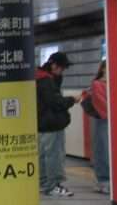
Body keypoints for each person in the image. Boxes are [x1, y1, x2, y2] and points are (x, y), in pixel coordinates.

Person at [36, 51, 78, 197]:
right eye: (61, 68)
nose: (62, 71)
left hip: (42, 124)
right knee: (54, 155)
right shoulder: (46, 81)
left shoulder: (39, 77)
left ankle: (43, 183)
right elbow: (54, 102)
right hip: (51, 124)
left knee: (43, 155)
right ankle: (53, 186)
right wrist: (72, 100)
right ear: (53, 65)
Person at [82, 61, 110, 195]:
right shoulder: (97, 84)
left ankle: (106, 181)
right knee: (103, 150)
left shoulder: (114, 82)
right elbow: (102, 104)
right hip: (104, 121)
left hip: (113, 121)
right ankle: (103, 180)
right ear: (103, 69)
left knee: (108, 150)